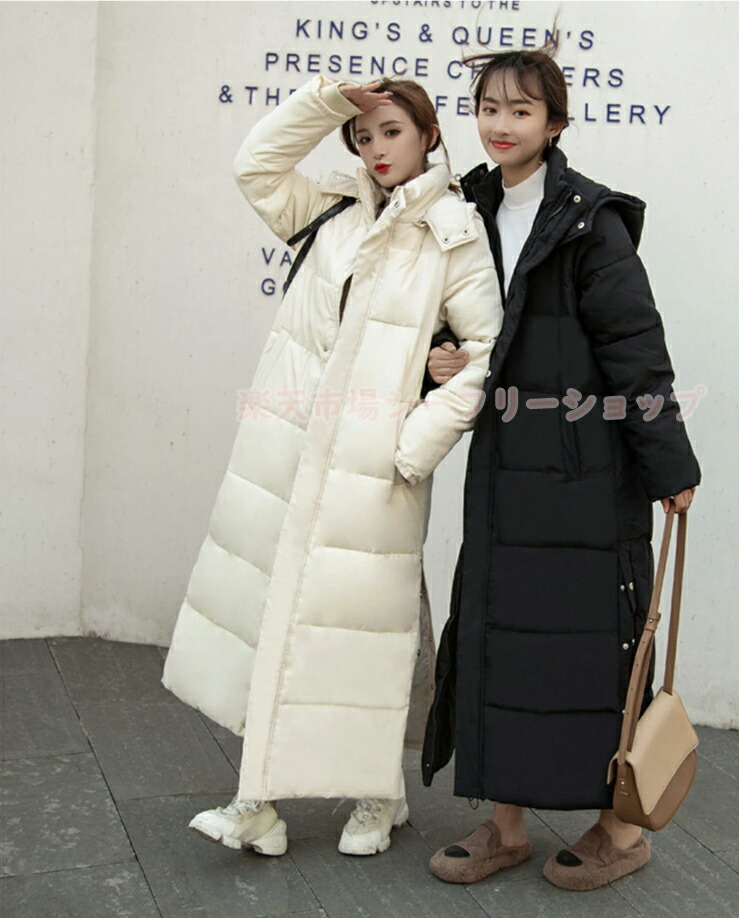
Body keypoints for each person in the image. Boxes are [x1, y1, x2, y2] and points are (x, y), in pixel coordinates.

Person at [161, 74, 502, 858]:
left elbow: (484, 355)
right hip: (291, 456)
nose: (377, 148)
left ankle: (379, 796)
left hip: (373, 469)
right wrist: (327, 102)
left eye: (392, 131)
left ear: (428, 135)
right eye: (364, 135)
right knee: (278, 623)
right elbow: (254, 167)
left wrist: (410, 450)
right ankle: (256, 802)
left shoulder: (454, 232)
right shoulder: (331, 211)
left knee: (363, 635)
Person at [420, 44, 701, 891]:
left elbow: (636, 349)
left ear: (554, 122)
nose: (501, 125)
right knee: (502, 639)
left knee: (594, 647)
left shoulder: (590, 221)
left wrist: (669, 465)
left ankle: (620, 829)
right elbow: (442, 320)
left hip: (587, 472)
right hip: (504, 470)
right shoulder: (462, 208)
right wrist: (438, 356)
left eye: (520, 110)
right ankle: (505, 825)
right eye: (489, 109)